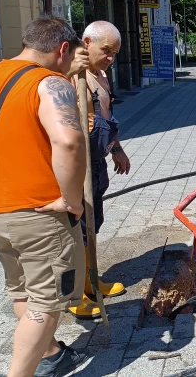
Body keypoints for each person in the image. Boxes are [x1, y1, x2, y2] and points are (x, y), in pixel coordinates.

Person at [0, 16, 90, 376]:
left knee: (21, 290)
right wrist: (71, 200)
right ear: (62, 49)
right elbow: (68, 141)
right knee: (47, 304)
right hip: (41, 214)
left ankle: (49, 353)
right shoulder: (50, 83)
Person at [67, 21, 131, 318]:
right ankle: (73, 294)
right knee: (74, 232)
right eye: (106, 51)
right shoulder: (69, 75)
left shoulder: (102, 76)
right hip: (75, 166)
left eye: (115, 53)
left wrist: (116, 149)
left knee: (94, 224)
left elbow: (108, 117)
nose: (110, 58)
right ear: (88, 42)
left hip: (97, 161)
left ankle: (91, 281)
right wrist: (69, 72)